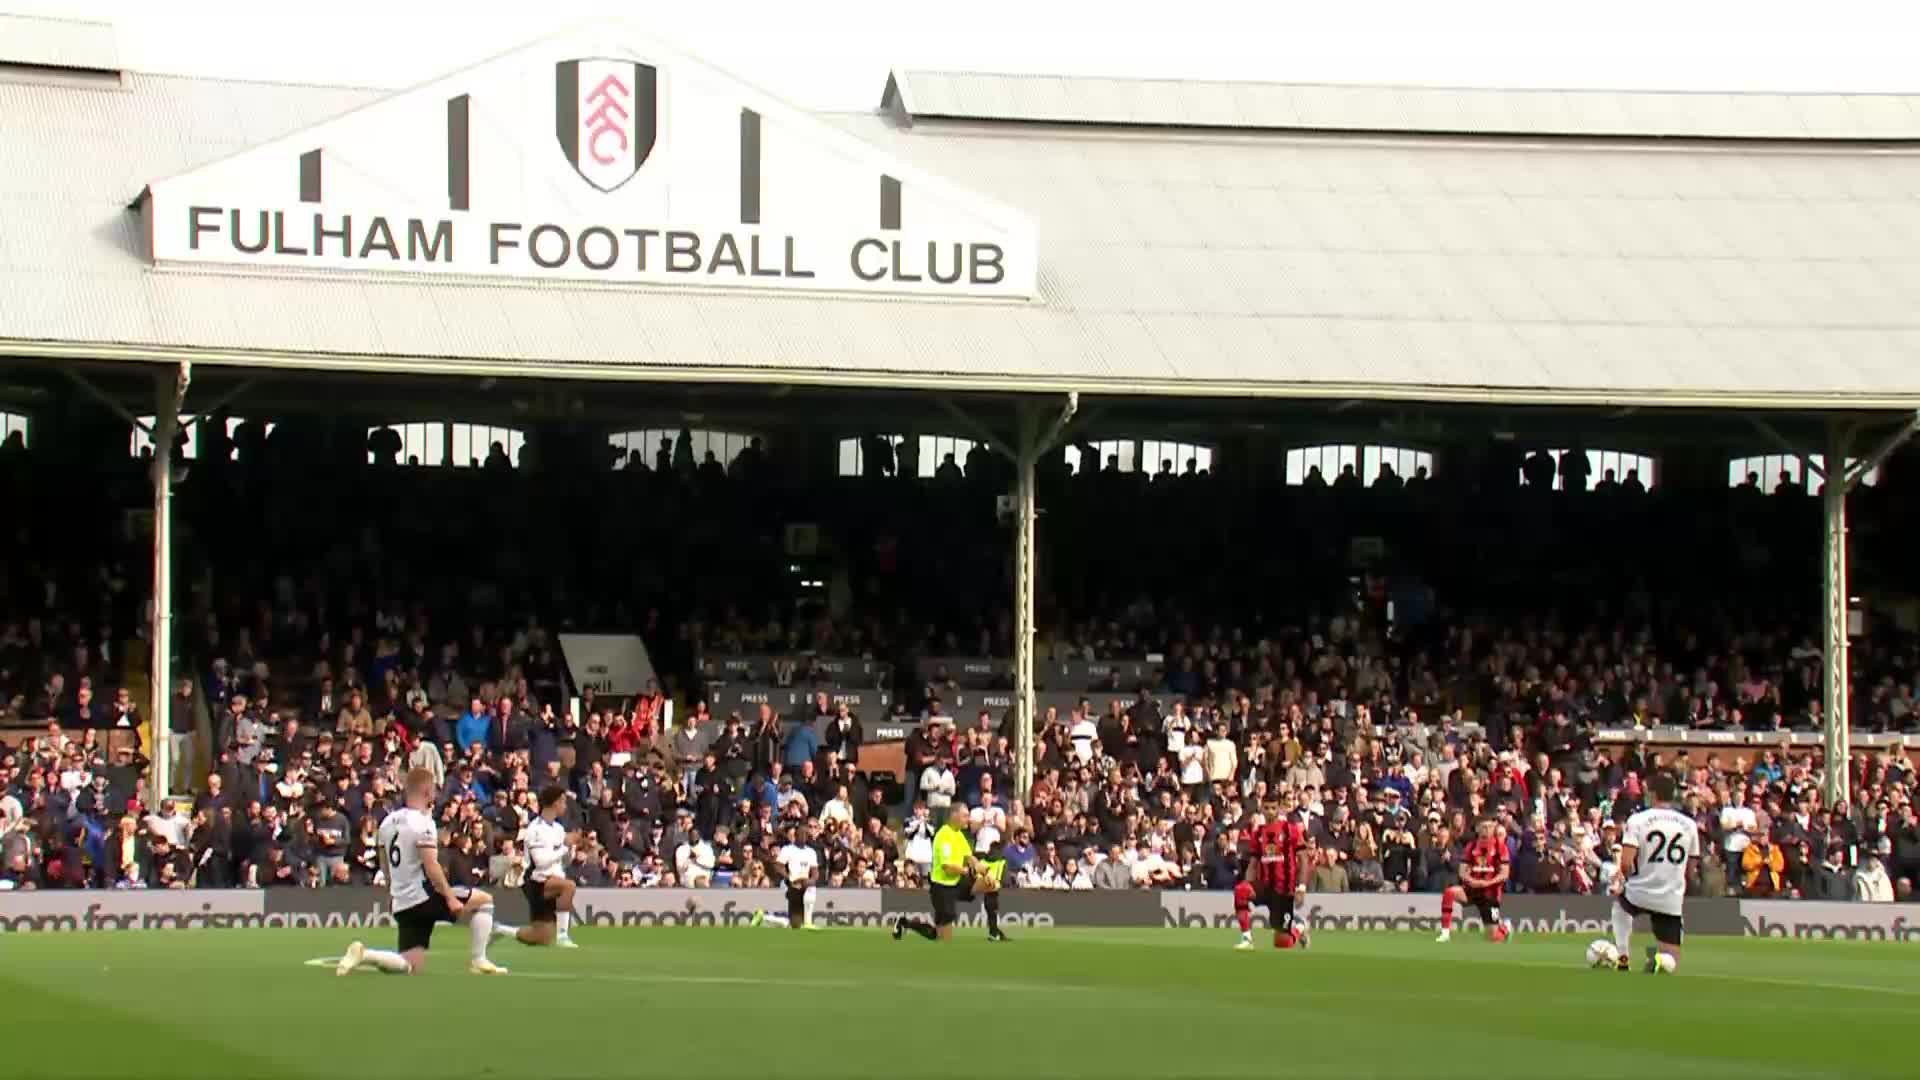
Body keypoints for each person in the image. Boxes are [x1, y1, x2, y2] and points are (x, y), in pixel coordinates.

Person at [335, 767, 508, 976]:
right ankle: (479, 960)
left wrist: (392, 893)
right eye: (433, 789)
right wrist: (450, 897)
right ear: (427, 792)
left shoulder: (387, 822)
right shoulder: (423, 823)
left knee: (410, 965)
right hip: (423, 896)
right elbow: (431, 866)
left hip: (402, 902)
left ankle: (365, 954)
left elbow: (385, 864)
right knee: (485, 901)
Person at [1610, 771, 1695, 973]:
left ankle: (1623, 955)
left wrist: (1624, 879)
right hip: (1671, 897)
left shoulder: (1638, 820)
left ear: (1653, 794)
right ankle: (1660, 962)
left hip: (1640, 890)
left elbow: (1626, 863)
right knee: (1670, 962)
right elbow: (1691, 868)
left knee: (1620, 907)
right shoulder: (1689, 824)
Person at [491, 785, 579, 949]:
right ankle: (563, 936)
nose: (565, 806)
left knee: (541, 937)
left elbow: (561, 861)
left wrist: (573, 849)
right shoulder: (535, 829)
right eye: (563, 802)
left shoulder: (558, 829)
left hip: (552, 880)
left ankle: (500, 929)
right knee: (569, 887)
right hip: (536, 881)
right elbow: (540, 862)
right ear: (555, 803)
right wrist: (565, 847)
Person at [891, 805, 981, 943]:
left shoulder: (958, 834)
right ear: (954, 815)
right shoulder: (944, 836)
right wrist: (966, 871)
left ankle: (994, 928)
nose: (968, 819)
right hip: (942, 887)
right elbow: (947, 868)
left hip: (955, 883)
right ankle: (906, 923)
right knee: (941, 937)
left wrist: (980, 867)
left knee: (986, 884)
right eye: (965, 815)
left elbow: (969, 856)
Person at [1233, 792, 1309, 950]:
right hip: (1264, 885)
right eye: (1266, 808)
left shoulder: (1291, 829)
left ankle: (1299, 928)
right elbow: (1253, 863)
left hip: (1284, 890)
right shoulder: (1258, 833)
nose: (1269, 812)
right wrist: (1248, 883)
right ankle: (1247, 938)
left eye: (1273, 808)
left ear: (1279, 808)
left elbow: (1303, 859)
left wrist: (1301, 887)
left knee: (1282, 943)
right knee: (1240, 890)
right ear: (1261, 808)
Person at [1437, 819, 1511, 943]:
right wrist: (1472, 880)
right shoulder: (1471, 846)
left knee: (1493, 938)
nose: (1486, 829)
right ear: (1478, 829)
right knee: (1449, 892)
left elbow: (1505, 873)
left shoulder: (1500, 847)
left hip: (1490, 894)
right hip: (1472, 889)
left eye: (1489, 826)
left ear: (1494, 828)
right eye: (1483, 826)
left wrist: (1488, 883)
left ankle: (1505, 928)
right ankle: (1445, 933)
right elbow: (1462, 871)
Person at [754, 825, 821, 930]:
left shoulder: (811, 852)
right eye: (801, 834)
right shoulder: (788, 849)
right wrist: (789, 878)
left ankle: (808, 922)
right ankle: (763, 917)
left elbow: (815, 871)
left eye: (805, 834)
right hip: (790, 885)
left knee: (811, 888)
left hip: (804, 885)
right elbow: (778, 866)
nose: (803, 836)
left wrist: (811, 880)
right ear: (796, 835)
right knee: (794, 925)